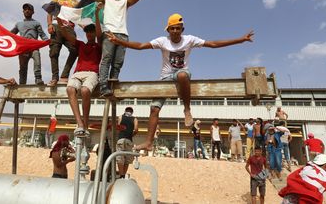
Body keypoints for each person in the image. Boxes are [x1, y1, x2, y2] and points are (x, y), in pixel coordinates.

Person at [107, 13, 254, 150]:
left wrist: (241, 39)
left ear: (182, 29)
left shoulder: (189, 40)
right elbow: (140, 46)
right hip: (165, 77)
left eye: (178, 28)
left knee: (183, 75)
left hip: (181, 74)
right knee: (154, 109)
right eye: (173, 28)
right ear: (168, 30)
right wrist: (118, 41)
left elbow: (213, 44)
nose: (175, 31)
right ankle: (148, 142)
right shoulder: (162, 41)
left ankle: (187, 109)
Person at [85, 0, 152, 97]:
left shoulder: (125, 1)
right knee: (107, 59)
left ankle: (112, 85)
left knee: (118, 62)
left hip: (123, 35)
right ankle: (103, 86)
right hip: (109, 33)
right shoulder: (105, 0)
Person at [57, 3, 103, 136]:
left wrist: (96, 15)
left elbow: (100, 34)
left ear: (94, 33)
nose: (90, 34)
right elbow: (66, 34)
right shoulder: (81, 44)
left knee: (84, 90)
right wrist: (59, 19)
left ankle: (86, 124)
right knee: (70, 89)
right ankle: (80, 124)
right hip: (78, 73)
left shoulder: (99, 46)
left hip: (92, 73)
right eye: (88, 32)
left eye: (92, 31)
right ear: (86, 33)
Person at [46, 0, 79, 86]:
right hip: (57, 25)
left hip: (70, 28)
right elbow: (50, 11)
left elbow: (79, 16)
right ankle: (54, 78)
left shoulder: (76, 2)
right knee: (54, 52)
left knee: (75, 50)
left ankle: (64, 75)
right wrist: (50, 24)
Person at [10, 3, 48, 85]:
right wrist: (1, 34)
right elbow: (11, 34)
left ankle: (38, 79)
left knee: (37, 62)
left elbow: (42, 35)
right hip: (23, 48)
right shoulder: (18, 24)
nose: (27, 11)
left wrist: (48, 41)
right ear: (23, 11)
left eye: (29, 9)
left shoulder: (36, 23)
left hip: (34, 47)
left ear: (33, 12)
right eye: (25, 9)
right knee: (23, 67)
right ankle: (22, 83)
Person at [116, 107, 138, 178]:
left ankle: (121, 174)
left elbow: (118, 127)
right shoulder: (135, 119)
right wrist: (131, 135)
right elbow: (136, 130)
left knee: (120, 157)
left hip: (121, 139)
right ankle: (123, 174)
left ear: (125, 111)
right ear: (132, 112)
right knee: (127, 158)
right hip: (129, 140)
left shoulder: (120, 117)